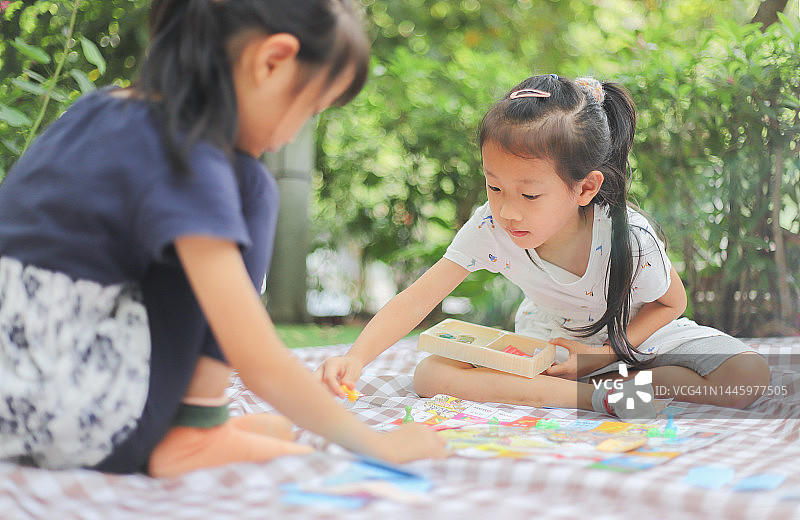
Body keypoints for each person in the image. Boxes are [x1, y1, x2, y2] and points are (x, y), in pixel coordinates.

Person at [0, 0, 446, 478]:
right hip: (66, 418)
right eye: (309, 109)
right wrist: (377, 445)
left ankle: (195, 427)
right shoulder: (192, 152)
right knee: (252, 183)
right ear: (271, 62)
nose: (293, 133)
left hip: (15, 398)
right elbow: (259, 360)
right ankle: (198, 432)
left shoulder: (95, 109)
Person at [316, 74, 770, 419]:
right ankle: (596, 397)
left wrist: (603, 356)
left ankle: (612, 379)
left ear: (586, 188)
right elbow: (418, 297)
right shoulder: (489, 228)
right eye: (494, 187)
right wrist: (355, 357)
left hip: (630, 335)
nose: (508, 211)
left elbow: (672, 303)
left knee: (748, 375)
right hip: (551, 340)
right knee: (429, 374)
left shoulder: (628, 236)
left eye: (529, 195)